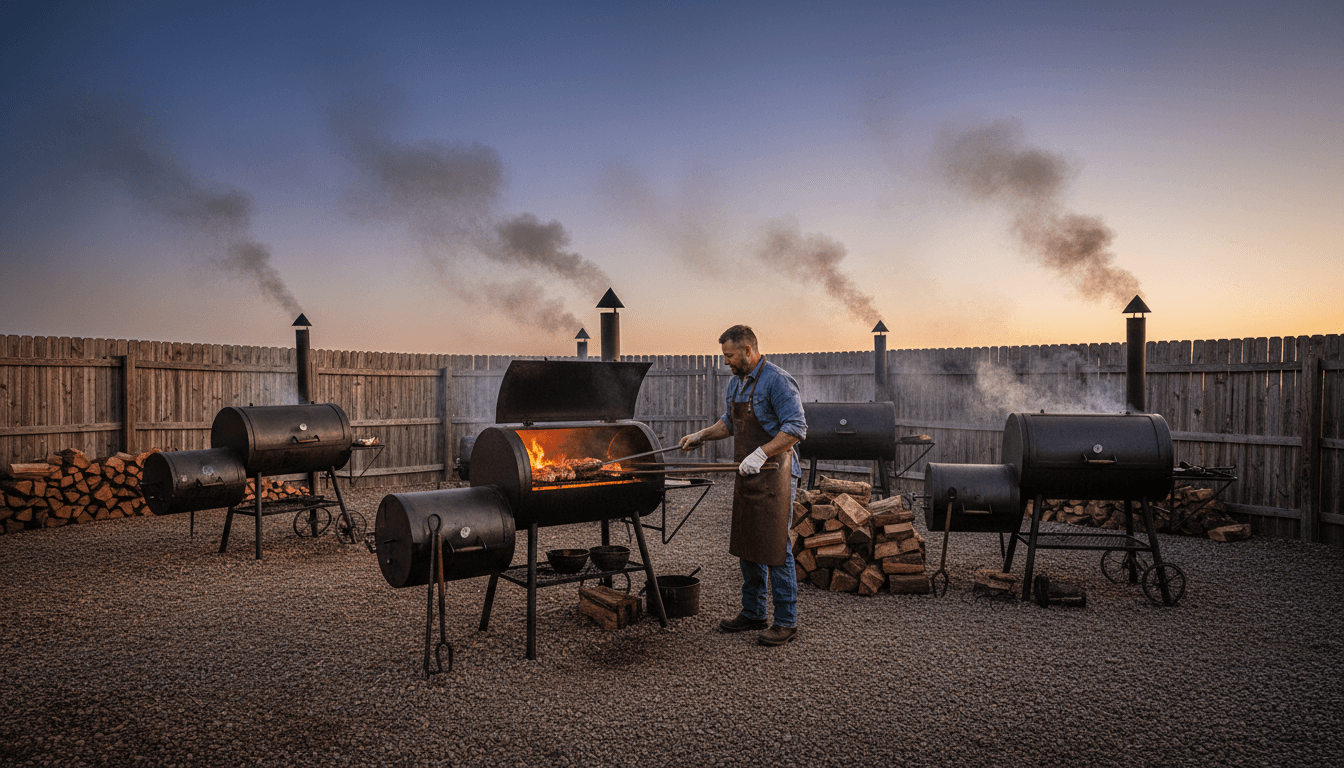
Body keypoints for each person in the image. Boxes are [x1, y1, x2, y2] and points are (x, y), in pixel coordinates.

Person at [679, 325, 806, 646]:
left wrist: (761, 453)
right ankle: (753, 612)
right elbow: (729, 423)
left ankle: (787, 622)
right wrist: (701, 435)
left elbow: (796, 428)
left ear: (748, 350)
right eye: (724, 356)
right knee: (748, 542)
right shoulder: (736, 384)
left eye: (730, 355)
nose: (726, 362)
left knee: (777, 548)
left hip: (777, 472)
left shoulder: (777, 380)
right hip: (749, 473)